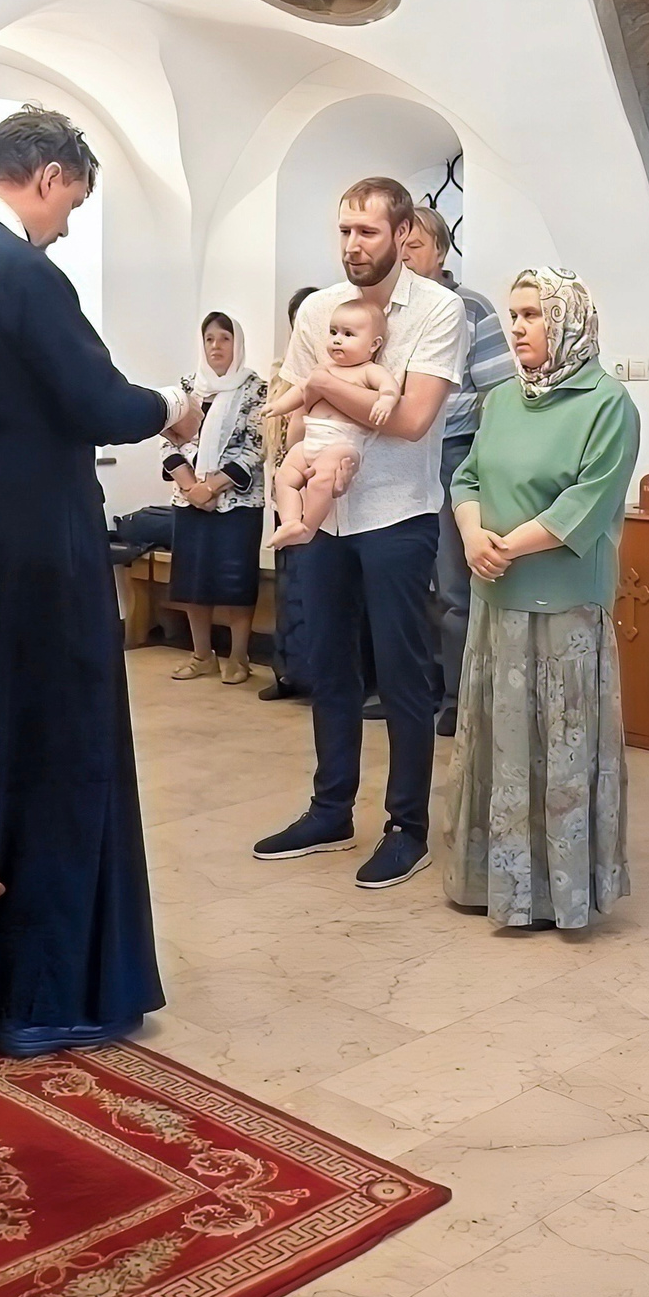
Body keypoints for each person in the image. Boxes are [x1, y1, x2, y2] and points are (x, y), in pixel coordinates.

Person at [0, 107, 199, 1057]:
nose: (66, 225)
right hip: (30, 536)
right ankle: (41, 989)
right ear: (51, 176)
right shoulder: (23, 271)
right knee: (49, 740)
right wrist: (172, 409)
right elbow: (97, 401)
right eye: (74, 204)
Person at [250, 176, 470, 889]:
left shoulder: (439, 311)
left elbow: (410, 420)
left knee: (404, 673)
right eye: (344, 231)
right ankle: (330, 807)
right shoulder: (317, 309)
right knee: (328, 665)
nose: (352, 245)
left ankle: (407, 825)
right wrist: (291, 466)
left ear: (403, 234)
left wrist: (327, 387)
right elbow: (289, 395)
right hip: (324, 513)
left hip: (396, 513)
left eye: (367, 232)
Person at [444, 269, 641, 929]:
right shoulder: (501, 399)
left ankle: (558, 891)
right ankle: (495, 881)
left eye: (532, 314)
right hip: (496, 597)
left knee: (559, 744)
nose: (519, 326)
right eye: (514, 313)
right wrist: (474, 534)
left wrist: (505, 546)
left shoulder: (607, 404)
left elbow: (587, 502)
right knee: (500, 742)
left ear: (568, 320)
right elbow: (467, 472)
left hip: (563, 608)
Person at [399, 206, 516, 738]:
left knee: (452, 588)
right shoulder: (386, 309)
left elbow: (496, 393)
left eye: (416, 245)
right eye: (399, 243)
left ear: (441, 252)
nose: (404, 254)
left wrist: (477, 466)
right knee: (404, 581)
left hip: (452, 453)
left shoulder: (470, 308)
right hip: (397, 457)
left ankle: (458, 699)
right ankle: (409, 691)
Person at [162, 312, 269, 685]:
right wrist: (192, 487)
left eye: (224, 338)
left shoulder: (257, 388)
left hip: (237, 503)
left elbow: (257, 447)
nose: (216, 346)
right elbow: (169, 438)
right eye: (209, 339)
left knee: (235, 581)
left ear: (236, 343)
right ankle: (201, 656)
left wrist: (213, 486)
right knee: (193, 581)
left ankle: (239, 658)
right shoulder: (187, 387)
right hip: (189, 499)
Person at [266, 300, 396, 549]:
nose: (337, 340)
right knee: (285, 476)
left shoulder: (368, 371)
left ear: (374, 344)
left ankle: (308, 527)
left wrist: (386, 401)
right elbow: (301, 390)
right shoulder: (325, 368)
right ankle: (291, 520)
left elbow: (389, 388)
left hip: (343, 445)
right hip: (311, 440)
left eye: (348, 334)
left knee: (323, 478)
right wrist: (279, 406)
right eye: (333, 332)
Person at [258, 285, 321, 703]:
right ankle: (287, 670)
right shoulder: (282, 373)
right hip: (285, 488)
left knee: (316, 584)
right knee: (288, 584)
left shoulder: (336, 369)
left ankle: (316, 673)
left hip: (318, 490)